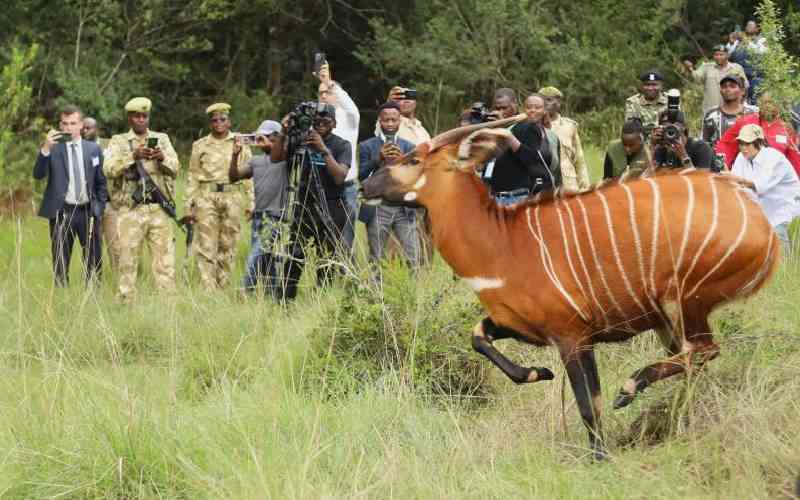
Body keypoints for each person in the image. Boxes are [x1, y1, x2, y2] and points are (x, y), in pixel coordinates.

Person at [271, 102, 351, 300]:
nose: (321, 123)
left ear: (334, 123)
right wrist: (283, 131)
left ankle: (321, 300)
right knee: (294, 255)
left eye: (326, 120)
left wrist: (323, 150)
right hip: (304, 207)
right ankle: (285, 300)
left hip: (332, 207)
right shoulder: (300, 141)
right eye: (317, 120)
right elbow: (275, 158)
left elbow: (340, 176)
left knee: (326, 260)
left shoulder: (341, 145)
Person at [105, 97, 180, 301]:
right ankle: (126, 302)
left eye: (144, 116)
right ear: (129, 118)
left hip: (158, 208)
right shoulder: (118, 141)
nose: (141, 119)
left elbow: (176, 169)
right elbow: (109, 169)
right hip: (130, 209)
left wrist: (162, 158)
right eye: (136, 116)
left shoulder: (161, 139)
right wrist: (133, 156)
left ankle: (168, 306)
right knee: (127, 261)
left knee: (165, 262)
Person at [33, 104, 107, 287]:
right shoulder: (54, 149)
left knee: (93, 260)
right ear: (60, 124)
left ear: (81, 124)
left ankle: (92, 297)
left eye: (73, 123)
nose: (68, 128)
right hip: (62, 212)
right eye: (64, 124)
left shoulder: (93, 149)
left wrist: (98, 209)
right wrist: (45, 148)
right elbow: (38, 174)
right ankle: (61, 298)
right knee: (60, 261)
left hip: (87, 211)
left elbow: (101, 182)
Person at [182, 103, 253, 291]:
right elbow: (192, 176)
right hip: (206, 197)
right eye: (214, 120)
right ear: (210, 123)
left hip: (232, 196)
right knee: (206, 246)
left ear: (229, 121)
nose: (218, 123)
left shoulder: (240, 143)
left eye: (222, 119)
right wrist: (188, 205)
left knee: (228, 245)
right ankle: (208, 289)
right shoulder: (200, 145)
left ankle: (223, 286)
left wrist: (251, 202)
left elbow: (248, 174)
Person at [229, 120, 287, 297]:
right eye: (260, 136)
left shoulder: (285, 159)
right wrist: (234, 156)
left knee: (257, 251)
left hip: (276, 215)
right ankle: (273, 294)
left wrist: (275, 141)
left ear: (277, 138)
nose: (262, 140)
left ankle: (245, 288)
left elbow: (283, 149)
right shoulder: (255, 161)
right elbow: (233, 177)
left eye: (268, 136)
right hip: (259, 215)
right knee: (265, 258)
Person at [358, 101, 419, 268]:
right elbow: (361, 176)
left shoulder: (410, 147)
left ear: (400, 120)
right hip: (378, 207)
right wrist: (378, 159)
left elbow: (414, 180)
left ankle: (415, 292)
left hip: (403, 209)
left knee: (413, 256)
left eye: (394, 120)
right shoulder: (367, 146)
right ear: (380, 120)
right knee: (376, 257)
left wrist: (403, 162)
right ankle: (375, 293)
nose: (390, 124)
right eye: (386, 120)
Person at [730, 123, 800, 250]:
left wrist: (735, 179)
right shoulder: (741, 157)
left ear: (759, 143)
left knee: (779, 250)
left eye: (747, 144)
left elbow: (760, 186)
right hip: (762, 213)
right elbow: (735, 185)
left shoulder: (774, 158)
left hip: (784, 211)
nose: (743, 148)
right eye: (741, 143)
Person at [318, 63, 360, 256]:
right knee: (322, 239)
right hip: (320, 187)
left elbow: (352, 108)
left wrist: (330, 82)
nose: (324, 95)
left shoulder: (348, 118)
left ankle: (344, 279)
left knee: (345, 240)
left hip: (346, 189)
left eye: (328, 91)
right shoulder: (316, 123)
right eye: (321, 93)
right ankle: (324, 280)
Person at [487, 94, 560, 206]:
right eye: (529, 107)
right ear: (523, 110)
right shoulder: (519, 128)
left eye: (537, 107)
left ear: (545, 110)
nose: (532, 110)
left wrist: (510, 137)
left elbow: (550, 167)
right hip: (509, 196)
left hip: (527, 196)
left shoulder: (549, 136)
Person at [715, 93, 800, 174]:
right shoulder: (746, 121)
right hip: (746, 177)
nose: (768, 106)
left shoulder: (786, 128)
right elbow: (725, 144)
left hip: (775, 179)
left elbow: (794, 159)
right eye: (766, 102)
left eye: (772, 103)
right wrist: (723, 164)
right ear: (759, 104)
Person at [83, 117, 120, 272]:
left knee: (116, 245)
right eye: (83, 128)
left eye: (89, 128)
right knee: (93, 245)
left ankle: (119, 279)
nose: (85, 131)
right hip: (91, 204)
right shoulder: (79, 148)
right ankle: (95, 279)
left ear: (96, 129)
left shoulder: (109, 145)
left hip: (111, 204)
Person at [539, 86, 590, 192]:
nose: (553, 103)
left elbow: (579, 160)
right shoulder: (532, 127)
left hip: (569, 185)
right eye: (546, 100)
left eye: (556, 100)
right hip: (543, 186)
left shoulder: (569, 126)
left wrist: (585, 187)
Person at [683, 45, 748, 115]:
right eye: (716, 55)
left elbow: (745, 86)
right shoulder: (706, 67)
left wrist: (742, 102)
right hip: (710, 109)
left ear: (727, 55)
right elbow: (697, 78)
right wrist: (690, 68)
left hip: (732, 108)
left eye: (721, 54)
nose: (718, 57)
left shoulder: (736, 68)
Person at [702, 75, 759, 148]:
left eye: (732, 86)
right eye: (724, 87)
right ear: (720, 91)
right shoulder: (711, 115)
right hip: (719, 157)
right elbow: (705, 143)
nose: (727, 89)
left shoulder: (753, 112)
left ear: (742, 91)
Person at [625, 70, 668, 140]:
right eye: (647, 85)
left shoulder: (670, 100)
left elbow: (678, 124)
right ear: (642, 86)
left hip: (666, 139)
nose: (650, 88)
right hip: (642, 141)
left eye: (654, 85)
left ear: (661, 86)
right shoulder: (633, 102)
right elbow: (630, 128)